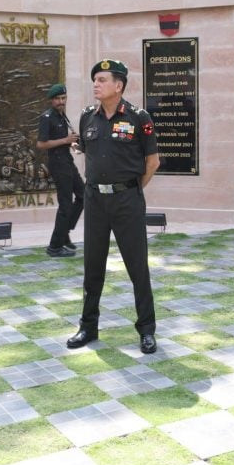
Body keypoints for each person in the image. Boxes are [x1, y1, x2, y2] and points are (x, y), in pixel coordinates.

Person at [65, 59, 160, 355]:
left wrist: (130, 191)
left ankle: (146, 331)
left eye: (102, 79)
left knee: (137, 268)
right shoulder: (86, 117)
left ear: (118, 86)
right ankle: (88, 327)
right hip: (95, 201)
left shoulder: (138, 118)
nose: (96, 84)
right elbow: (85, 148)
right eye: (95, 79)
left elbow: (152, 162)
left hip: (126, 201)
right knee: (92, 266)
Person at [36, 83, 83, 257]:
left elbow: (67, 140)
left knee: (83, 195)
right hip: (58, 164)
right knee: (65, 204)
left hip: (68, 161)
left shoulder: (62, 116)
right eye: (57, 99)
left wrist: (75, 144)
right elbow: (40, 144)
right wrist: (65, 140)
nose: (61, 101)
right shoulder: (47, 117)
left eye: (63, 98)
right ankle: (55, 246)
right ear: (51, 100)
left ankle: (64, 234)